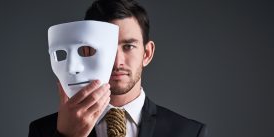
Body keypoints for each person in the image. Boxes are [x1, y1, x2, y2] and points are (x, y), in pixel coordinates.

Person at [28, 0, 207, 137]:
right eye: (104, 49)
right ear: (85, 50)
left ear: (147, 53)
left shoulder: (188, 132)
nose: (116, 61)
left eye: (128, 46)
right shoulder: (44, 131)